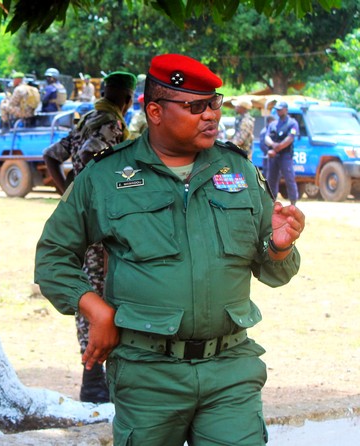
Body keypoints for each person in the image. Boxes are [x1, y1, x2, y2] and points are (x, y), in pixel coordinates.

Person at [34, 54, 305, 445]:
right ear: (155, 111)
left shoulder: (239, 171)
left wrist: (279, 247)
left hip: (230, 369)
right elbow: (53, 256)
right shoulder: (107, 176)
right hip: (147, 374)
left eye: (215, 103)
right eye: (195, 106)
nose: (211, 115)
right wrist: (94, 307)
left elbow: (276, 271)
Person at [42, 71, 136, 404]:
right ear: (128, 98)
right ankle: (94, 381)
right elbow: (92, 164)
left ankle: (97, 379)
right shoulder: (110, 125)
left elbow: (52, 156)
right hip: (102, 229)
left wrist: (69, 195)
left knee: (90, 295)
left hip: (86, 224)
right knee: (100, 295)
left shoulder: (86, 120)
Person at [264, 101, 299, 204]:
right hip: (274, 156)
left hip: (285, 155)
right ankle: (271, 202)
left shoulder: (292, 123)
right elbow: (267, 137)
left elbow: (290, 138)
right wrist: (272, 145)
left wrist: (276, 148)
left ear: (286, 110)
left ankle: (293, 202)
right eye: (277, 109)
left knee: (289, 178)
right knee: (271, 180)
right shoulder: (273, 124)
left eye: (280, 109)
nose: (278, 111)